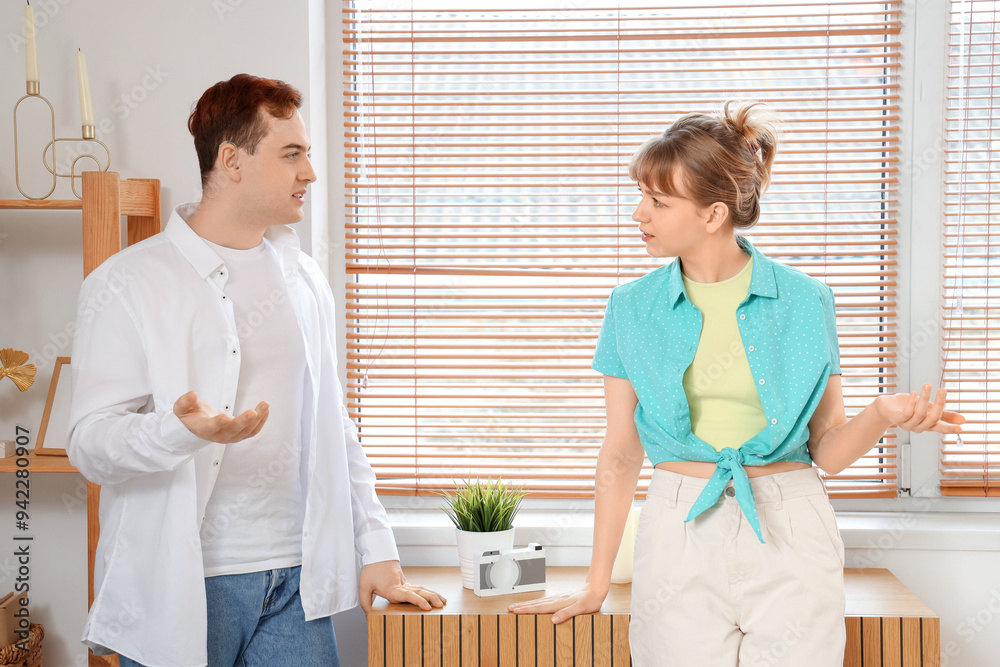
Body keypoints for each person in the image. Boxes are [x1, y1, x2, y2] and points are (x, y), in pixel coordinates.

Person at [507, 100, 964, 665]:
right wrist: (596, 584)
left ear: (713, 214)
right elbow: (621, 454)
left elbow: (829, 451)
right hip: (677, 526)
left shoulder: (805, 300)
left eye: (657, 200)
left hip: (792, 524)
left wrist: (881, 415)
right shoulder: (631, 308)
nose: (638, 214)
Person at [67, 73, 446, 667]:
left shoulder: (304, 279)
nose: (309, 174)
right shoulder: (126, 283)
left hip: (297, 584)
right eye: (291, 154)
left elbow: (334, 426)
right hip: (188, 585)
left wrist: (377, 546)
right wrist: (178, 430)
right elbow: (89, 446)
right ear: (231, 160)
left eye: (308, 155)